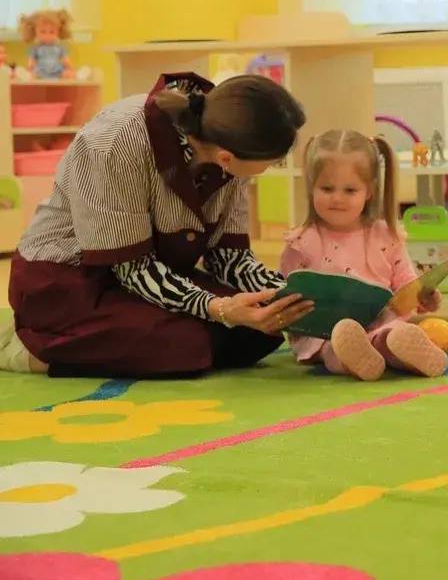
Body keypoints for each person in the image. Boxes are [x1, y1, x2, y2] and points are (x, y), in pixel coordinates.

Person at [2, 73, 312, 377]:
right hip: (68, 281)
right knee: (185, 343)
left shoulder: (228, 146)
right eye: (273, 162)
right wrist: (219, 308)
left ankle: (119, 343)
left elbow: (228, 258)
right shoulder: (115, 141)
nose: (271, 168)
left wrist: (292, 293)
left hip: (152, 273)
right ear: (226, 157)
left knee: (261, 329)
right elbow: (133, 269)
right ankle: (28, 349)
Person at [279, 130, 447, 381]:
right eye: (326, 188)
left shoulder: (386, 235)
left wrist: (424, 297)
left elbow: (406, 286)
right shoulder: (301, 241)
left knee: (391, 334)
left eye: (350, 190)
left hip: (379, 323)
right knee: (334, 345)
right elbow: (282, 288)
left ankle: (405, 353)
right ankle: (353, 357)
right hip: (321, 334)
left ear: (369, 191)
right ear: (312, 186)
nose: (337, 198)